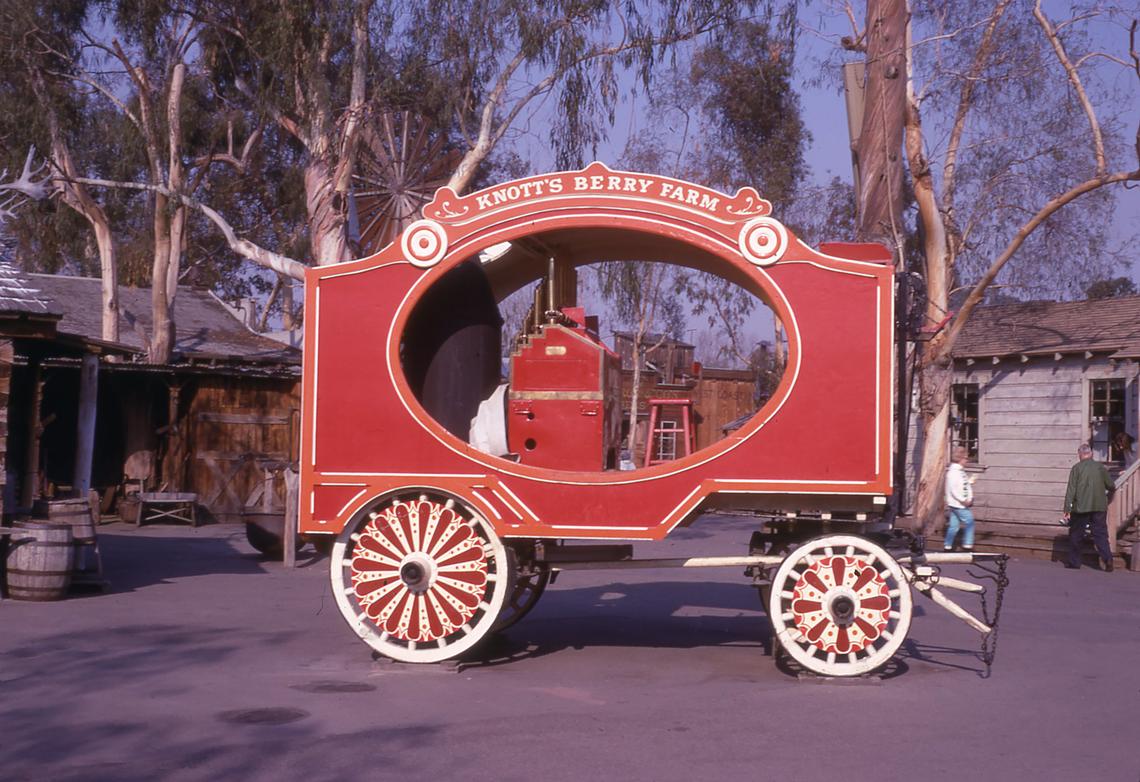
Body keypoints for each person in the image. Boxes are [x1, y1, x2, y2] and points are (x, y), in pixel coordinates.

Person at [1063, 443, 1115, 571]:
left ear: (1080, 454)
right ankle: (1107, 558)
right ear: (1091, 454)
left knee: (1076, 534)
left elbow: (1071, 490)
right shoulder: (1100, 468)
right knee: (1101, 534)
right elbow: (1111, 485)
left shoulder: (1076, 468)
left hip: (1081, 507)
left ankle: (1074, 562)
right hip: (1099, 506)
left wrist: (1067, 509)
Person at [944, 447, 975, 552]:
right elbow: (953, 490)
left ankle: (947, 546)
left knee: (954, 526)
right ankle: (967, 545)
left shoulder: (960, 472)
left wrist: (970, 483)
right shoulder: (954, 472)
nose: (967, 460)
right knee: (969, 522)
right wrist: (963, 500)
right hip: (958, 504)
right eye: (965, 458)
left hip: (957, 503)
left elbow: (963, 486)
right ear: (960, 459)